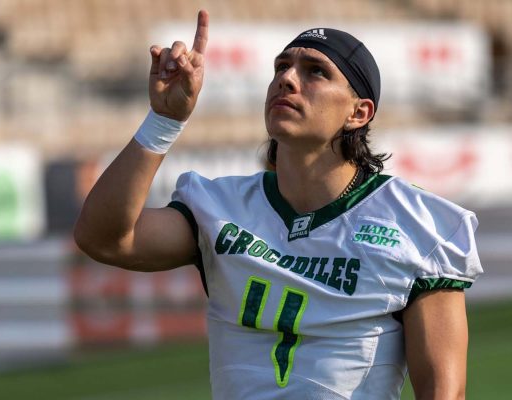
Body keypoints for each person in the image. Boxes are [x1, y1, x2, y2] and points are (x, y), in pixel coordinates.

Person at [74, 10, 482, 400]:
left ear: (359, 112)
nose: (287, 79)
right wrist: (164, 121)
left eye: (315, 71)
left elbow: (443, 392)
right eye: (281, 67)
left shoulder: (419, 224)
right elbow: (104, 239)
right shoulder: (219, 207)